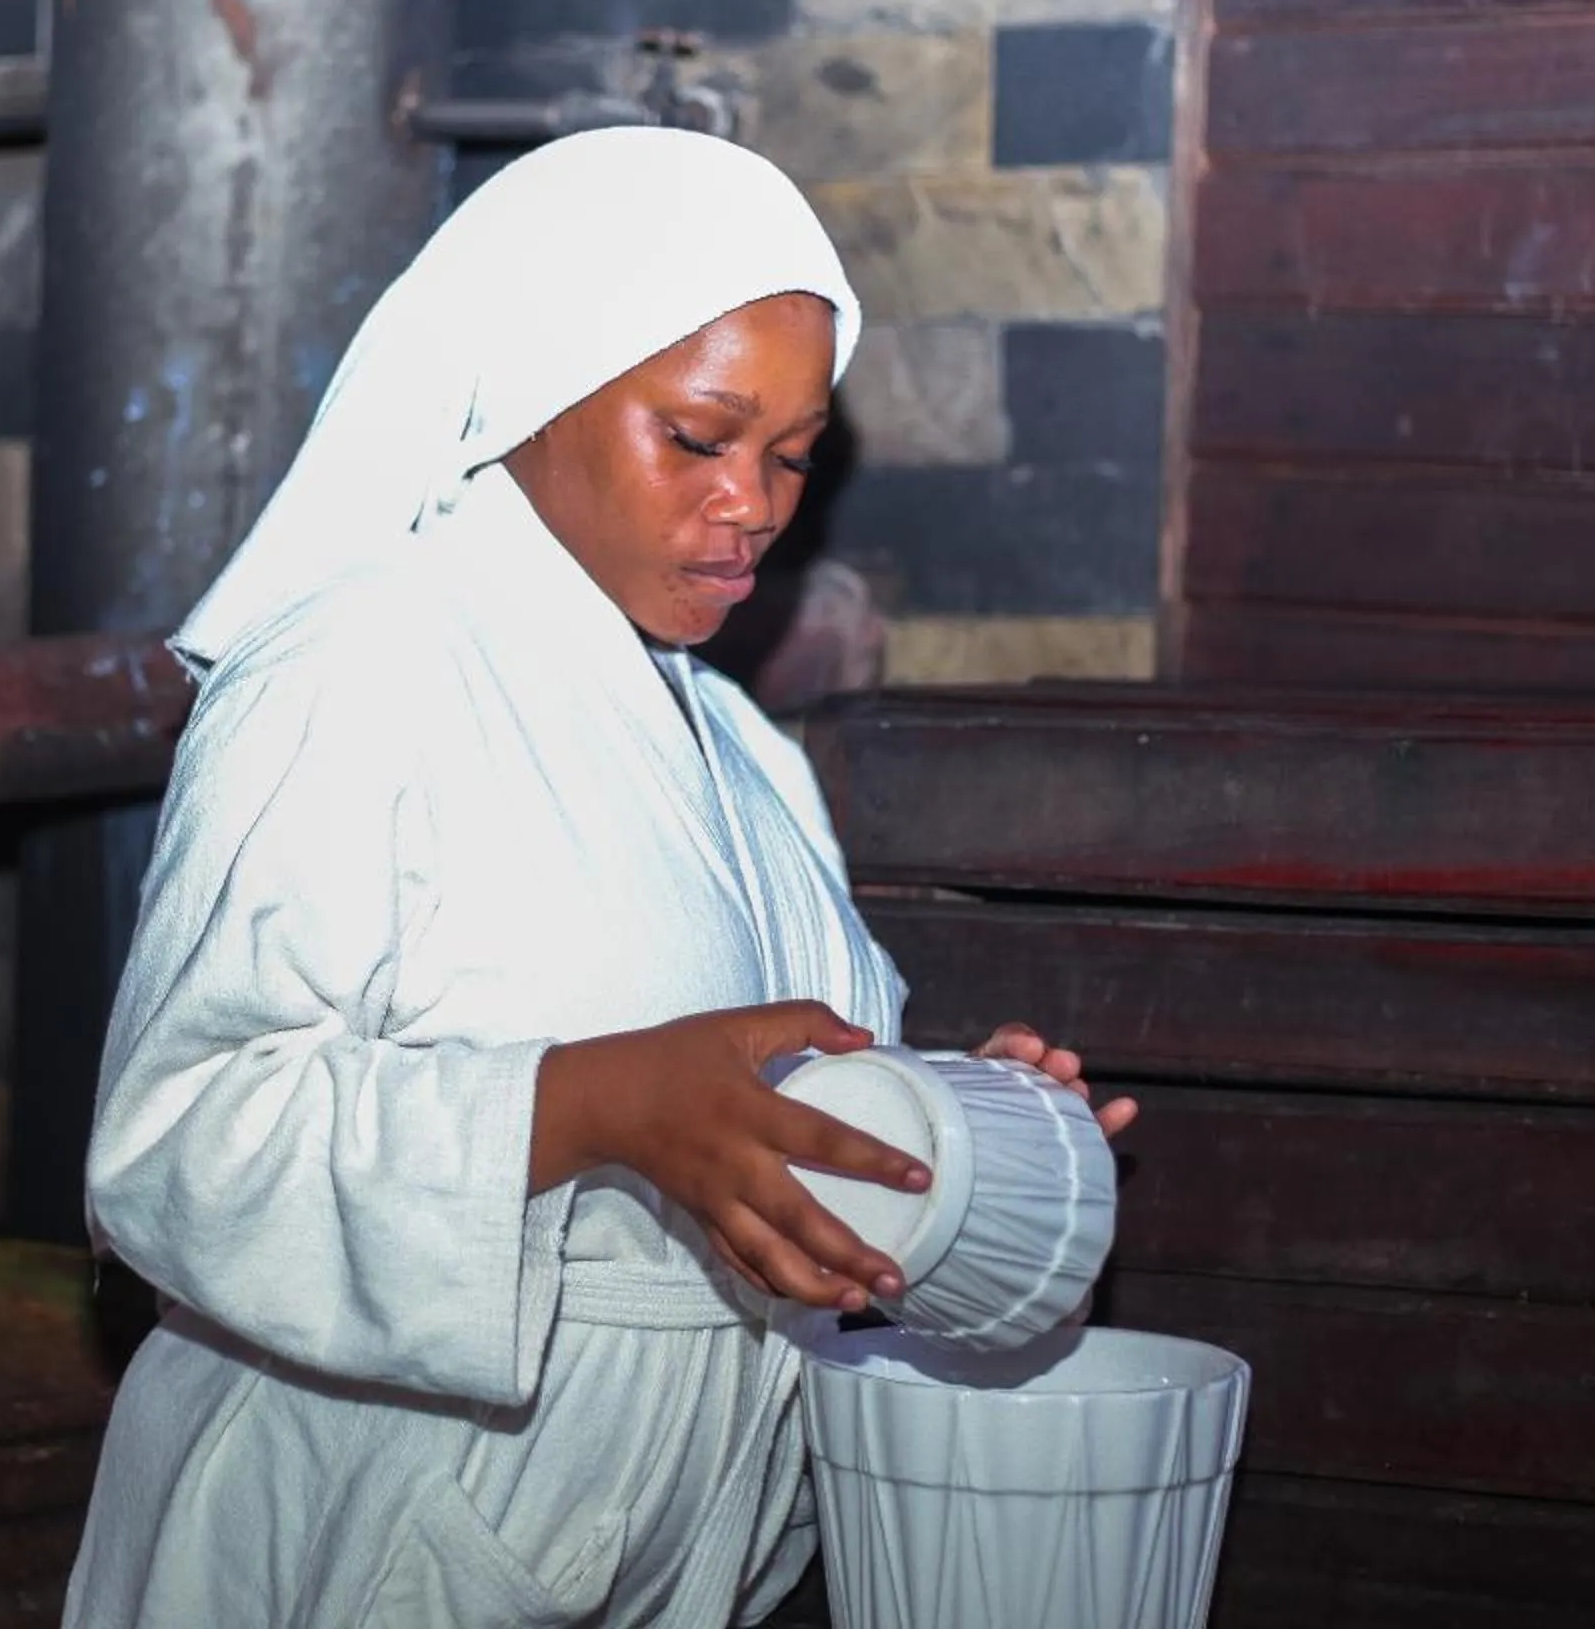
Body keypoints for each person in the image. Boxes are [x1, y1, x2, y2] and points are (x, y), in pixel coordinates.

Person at [62, 127, 1135, 1628]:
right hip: (365, 1536)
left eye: (792, 457)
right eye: (698, 440)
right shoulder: (359, 670)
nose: (755, 503)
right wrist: (597, 1105)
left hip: (646, 1557)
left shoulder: (742, 749)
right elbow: (180, 1143)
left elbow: (750, 1103)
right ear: (532, 386)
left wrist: (948, 1140)